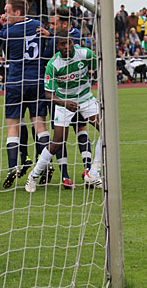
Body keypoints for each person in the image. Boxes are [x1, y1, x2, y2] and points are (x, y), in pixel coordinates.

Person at [25, 32, 102, 193]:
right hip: (63, 102)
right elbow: (48, 94)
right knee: (58, 141)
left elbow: (100, 69)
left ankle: (93, 173)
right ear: (57, 46)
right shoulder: (54, 65)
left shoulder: (85, 54)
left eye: (69, 43)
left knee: (106, 130)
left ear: (73, 42)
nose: (67, 47)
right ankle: (33, 175)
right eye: (62, 44)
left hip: (86, 98)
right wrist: (64, 103)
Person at [0, 0, 50, 189]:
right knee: (39, 124)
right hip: (37, 80)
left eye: (7, 11)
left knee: (12, 127)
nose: (4, 15)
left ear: (17, 12)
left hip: (16, 82)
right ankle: (44, 165)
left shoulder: (9, 30)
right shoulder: (38, 24)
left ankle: (13, 167)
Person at [39, 7, 94, 189]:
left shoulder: (72, 37)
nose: (51, 26)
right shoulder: (54, 41)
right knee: (60, 135)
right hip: (57, 91)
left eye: (54, 23)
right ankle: (65, 175)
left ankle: (88, 170)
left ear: (64, 24)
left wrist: (50, 38)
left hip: (76, 93)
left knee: (80, 127)